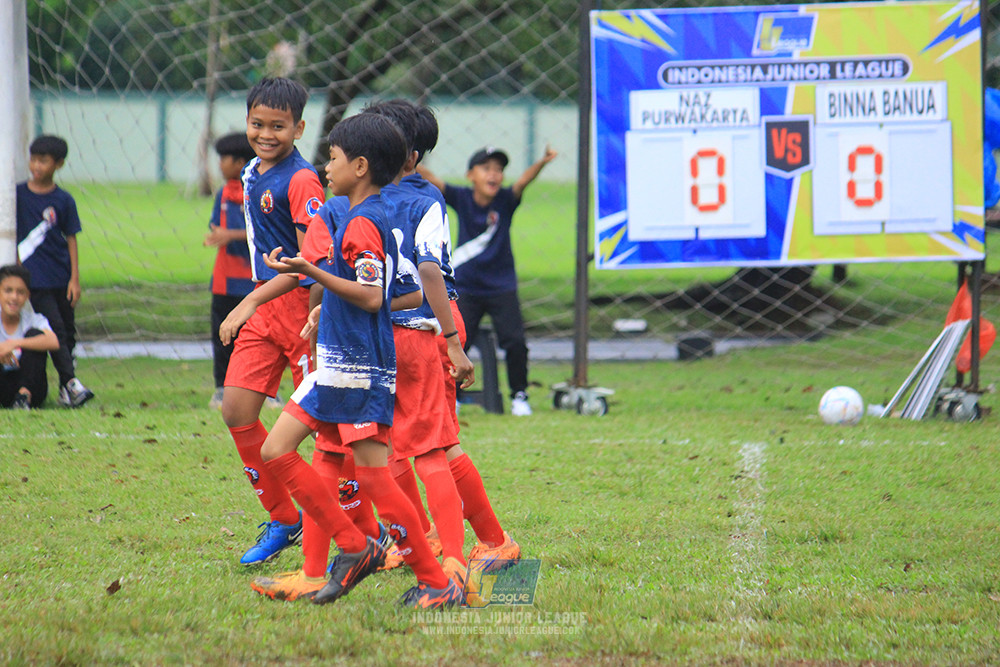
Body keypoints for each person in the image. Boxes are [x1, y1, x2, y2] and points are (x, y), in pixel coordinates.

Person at [241, 112, 461, 608]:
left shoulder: (363, 220)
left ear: (360, 166)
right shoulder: (357, 211)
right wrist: (320, 307)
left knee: (370, 476)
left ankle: (426, 575)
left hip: (359, 370)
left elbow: (369, 295)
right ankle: (358, 547)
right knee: (285, 452)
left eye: (334, 158)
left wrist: (312, 275)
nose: (325, 167)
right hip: (339, 362)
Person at [217, 77, 326, 566]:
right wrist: (255, 302)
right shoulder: (252, 172)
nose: (266, 133)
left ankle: (357, 526)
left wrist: (249, 302)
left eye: (278, 126)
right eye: (257, 123)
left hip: (303, 312)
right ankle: (285, 518)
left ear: (299, 128)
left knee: (328, 433)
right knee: (237, 411)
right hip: (264, 307)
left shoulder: (303, 180)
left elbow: (313, 260)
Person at [418, 143, 557, 416]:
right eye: (486, 168)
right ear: (471, 175)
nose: (493, 175)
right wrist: (404, 157)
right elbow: (432, 179)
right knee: (457, 339)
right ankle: (452, 395)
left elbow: (523, 182)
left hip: (502, 285)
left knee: (515, 341)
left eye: (498, 170)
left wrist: (543, 162)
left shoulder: (505, 200)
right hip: (466, 286)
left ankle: (520, 395)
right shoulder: (462, 197)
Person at [15, 135, 94, 408]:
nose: (36, 165)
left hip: (60, 277)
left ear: (58, 164)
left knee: (68, 333)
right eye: (34, 159)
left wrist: (75, 278)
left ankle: (65, 388)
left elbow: (72, 237)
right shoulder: (16, 195)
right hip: (34, 281)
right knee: (55, 328)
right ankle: (72, 384)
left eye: (43, 161)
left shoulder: (63, 200)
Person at [203, 132, 256, 410]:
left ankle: (263, 390)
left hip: (251, 283)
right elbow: (217, 227)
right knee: (221, 335)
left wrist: (230, 235)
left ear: (239, 163)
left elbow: (262, 233)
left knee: (254, 337)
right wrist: (217, 235)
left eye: (224, 159)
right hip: (224, 279)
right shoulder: (223, 193)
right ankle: (222, 388)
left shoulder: (257, 191)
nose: (220, 164)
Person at [0, 265, 60, 410]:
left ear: (27, 296)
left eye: (20, 292)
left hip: (33, 389)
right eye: (8, 291)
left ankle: (23, 397)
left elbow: (53, 341)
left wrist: (14, 344)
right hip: (3, 387)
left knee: (35, 335)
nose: (14, 297)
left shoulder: (35, 319)